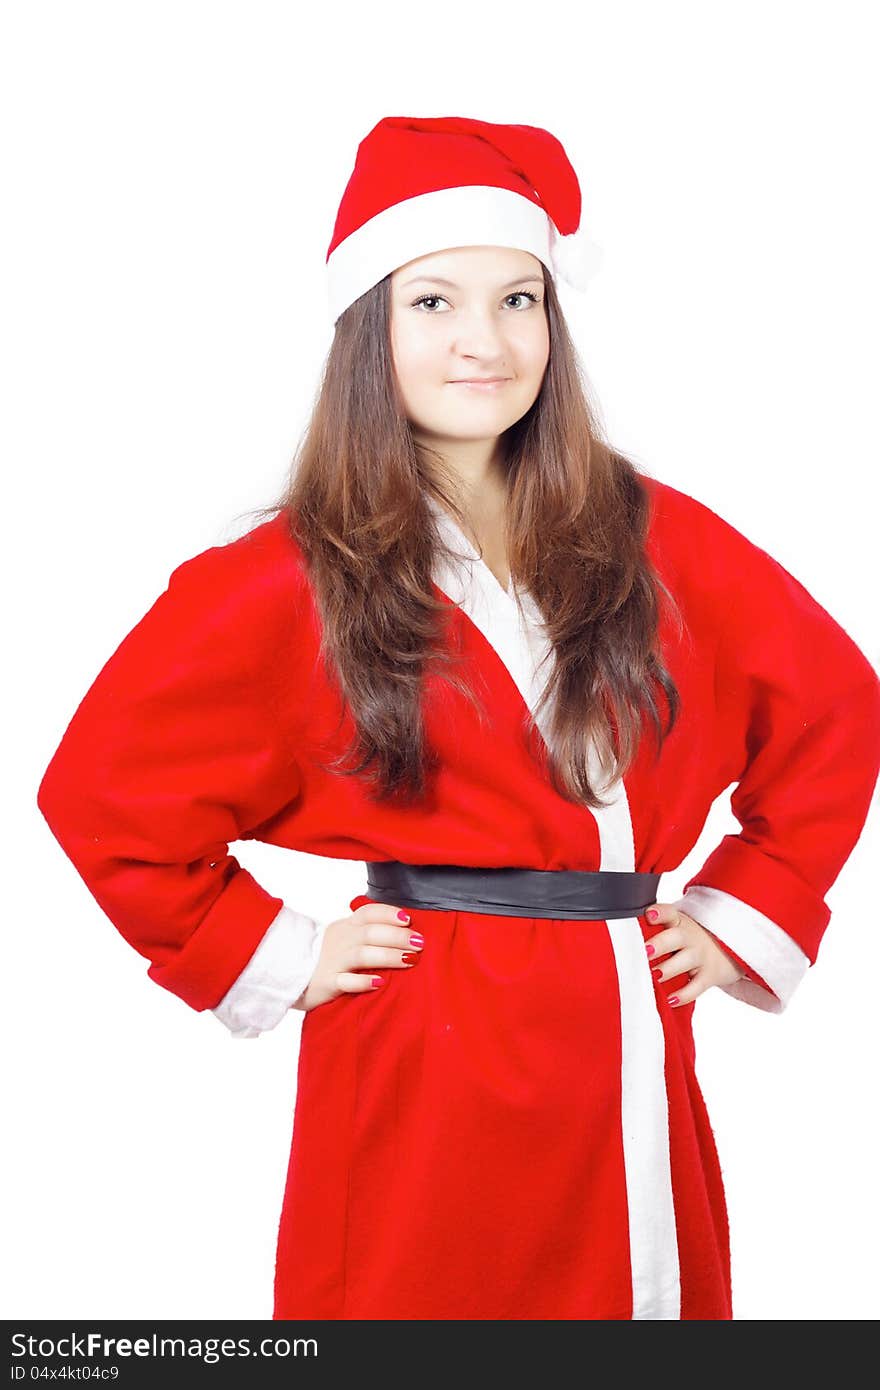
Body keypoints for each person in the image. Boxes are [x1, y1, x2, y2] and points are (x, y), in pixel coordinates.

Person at [36, 114, 880, 1321]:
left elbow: (834, 705)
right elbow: (103, 795)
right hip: (422, 1040)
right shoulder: (283, 575)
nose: (484, 341)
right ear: (369, 329)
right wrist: (276, 952)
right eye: (433, 302)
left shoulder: (653, 534)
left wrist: (748, 904)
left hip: (623, 1031)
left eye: (518, 301)